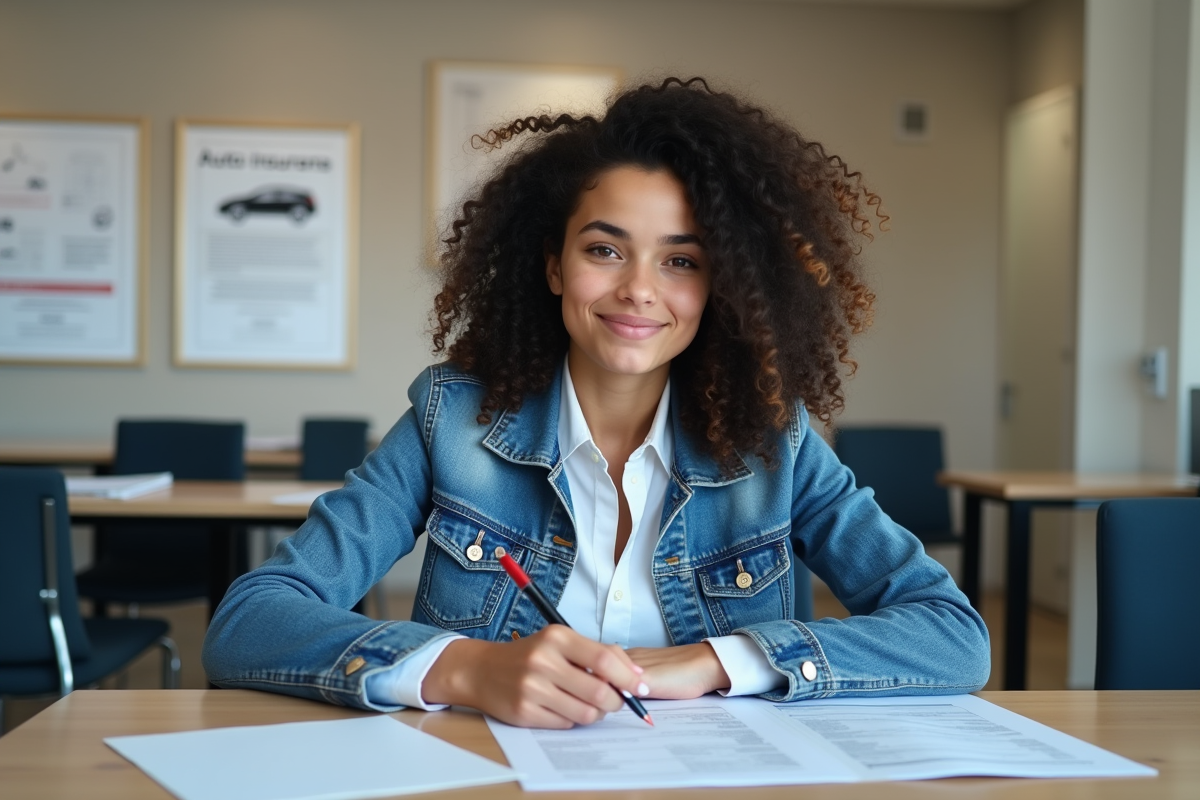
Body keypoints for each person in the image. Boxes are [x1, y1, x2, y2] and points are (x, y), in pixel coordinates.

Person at [202, 77, 990, 729]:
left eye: (681, 260)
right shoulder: (452, 423)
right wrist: (468, 668)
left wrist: (722, 660)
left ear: (723, 288)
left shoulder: (772, 443)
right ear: (553, 266)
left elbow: (951, 637)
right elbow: (250, 622)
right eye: (604, 249)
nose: (638, 290)